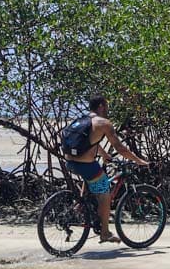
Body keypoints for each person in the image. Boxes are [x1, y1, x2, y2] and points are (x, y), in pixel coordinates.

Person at [62, 94, 148, 244]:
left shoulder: (82, 120)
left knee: (90, 178)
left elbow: (89, 141)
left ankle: (80, 206)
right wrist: (138, 160)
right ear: (101, 106)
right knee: (104, 191)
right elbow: (120, 148)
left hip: (70, 162)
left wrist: (103, 154)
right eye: (106, 106)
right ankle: (105, 233)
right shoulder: (103, 123)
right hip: (86, 165)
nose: (107, 109)